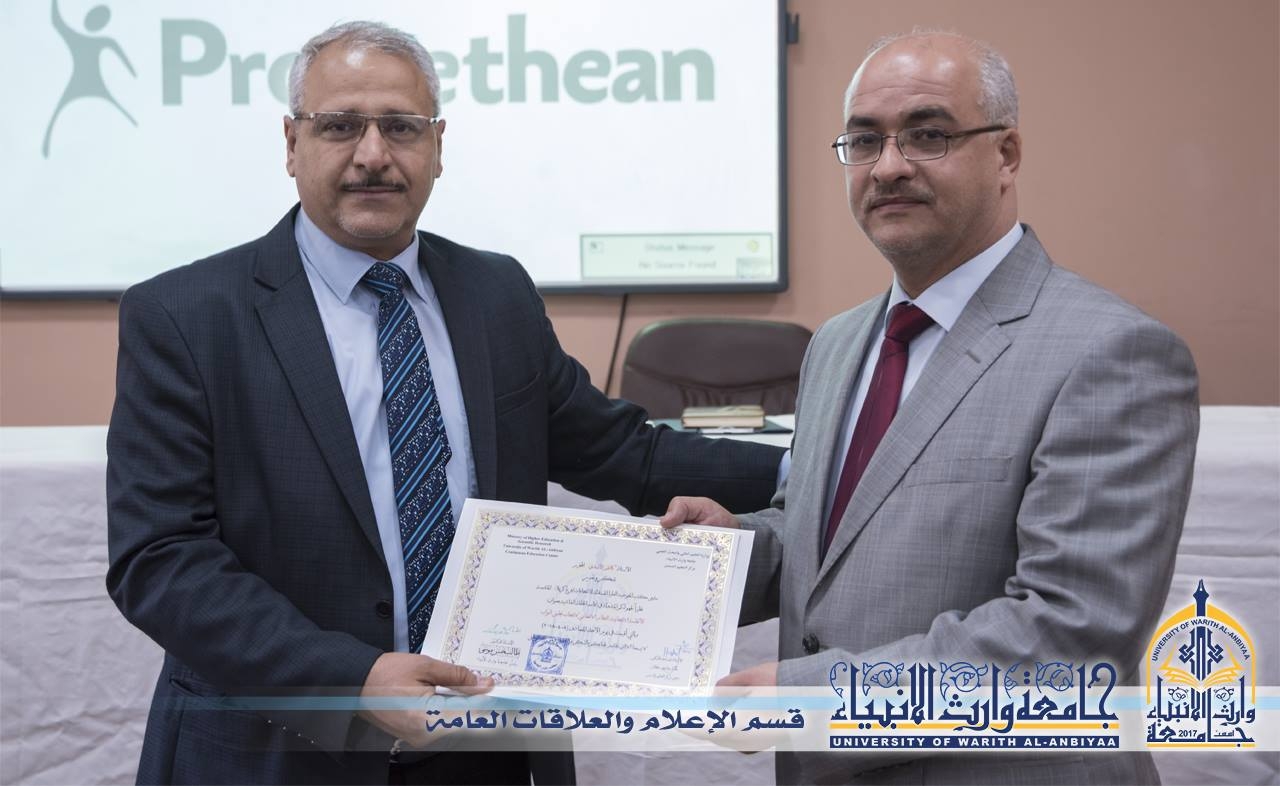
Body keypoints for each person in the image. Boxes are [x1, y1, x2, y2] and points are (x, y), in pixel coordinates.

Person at [105, 20, 785, 786]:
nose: (373, 154)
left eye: (401, 127)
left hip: (483, 749)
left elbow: (625, 453)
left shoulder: (495, 293)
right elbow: (161, 561)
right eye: (340, 126)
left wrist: (815, 472)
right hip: (279, 754)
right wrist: (353, 681)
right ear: (292, 143)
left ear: (437, 145)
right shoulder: (185, 317)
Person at [661, 31, 1199, 785]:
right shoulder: (837, 344)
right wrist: (733, 552)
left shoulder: (1112, 352)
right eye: (864, 140)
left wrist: (816, 700)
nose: (888, 167)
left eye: (927, 135)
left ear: (1006, 154)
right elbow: (831, 545)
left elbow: (1071, 637)